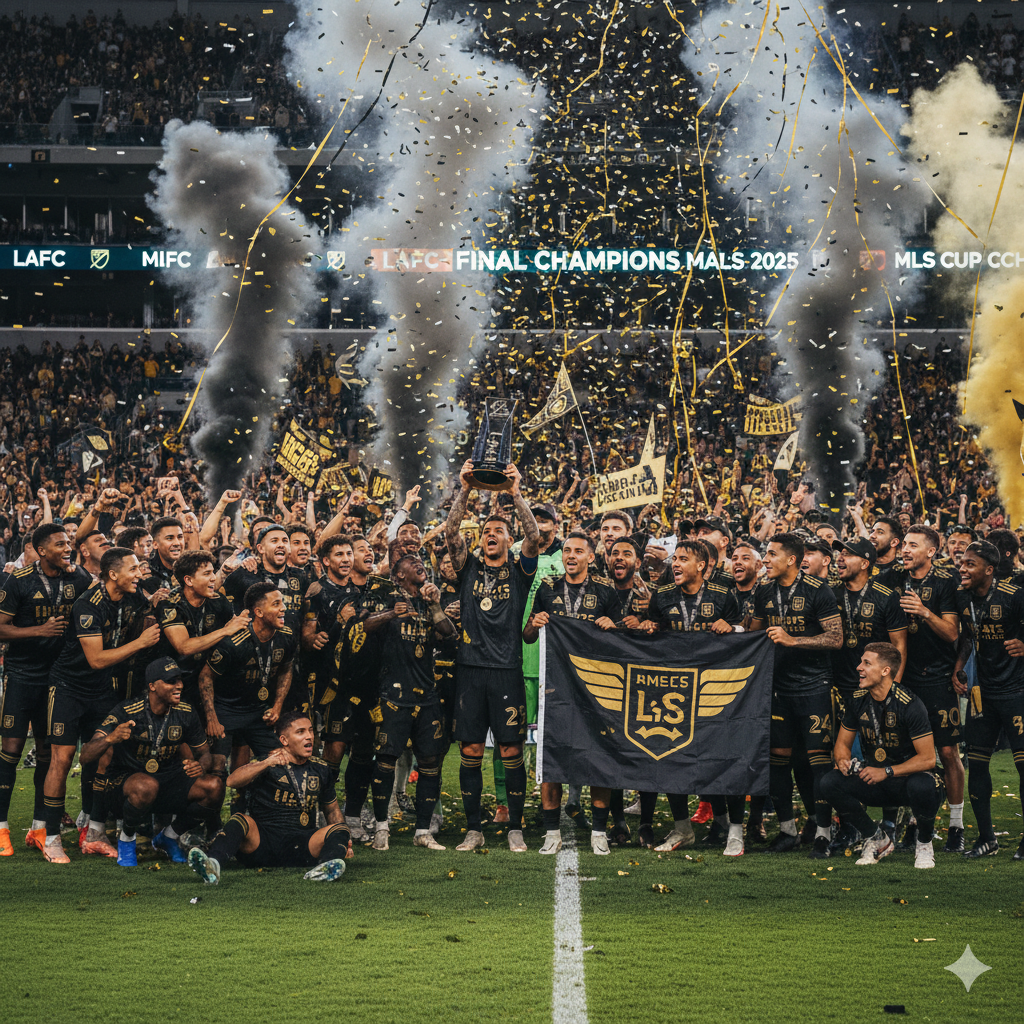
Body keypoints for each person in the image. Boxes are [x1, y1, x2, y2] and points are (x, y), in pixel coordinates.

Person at [41, 547, 161, 863]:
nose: (139, 574)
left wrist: (156, 602)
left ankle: (94, 833)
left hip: (102, 688)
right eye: (133, 569)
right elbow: (95, 659)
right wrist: (139, 642)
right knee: (62, 758)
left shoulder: (134, 596)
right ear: (112, 574)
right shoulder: (88, 604)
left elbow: (149, 607)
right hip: (68, 687)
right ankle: (51, 838)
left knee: (104, 754)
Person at [445, 459, 540, 853]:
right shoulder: (467, 567)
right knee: (469, 751)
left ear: (508, 540)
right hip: (469, 671)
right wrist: (466, 487)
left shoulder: (520, 571)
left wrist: (514, 494)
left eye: (498, 531)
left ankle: (515, 827)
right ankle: (473, 829)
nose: (490, 535)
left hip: (506, 671)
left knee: (510, 750)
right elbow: (451, 532)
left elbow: (534, 536)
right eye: (486, 531)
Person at [640, 540, 742, 853]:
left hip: (714, 688)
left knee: (720, 757)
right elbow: (652, 631)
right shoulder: (662, 595)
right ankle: (682, 828)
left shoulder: (723, 594)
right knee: (671, 756)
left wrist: (733, 627)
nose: (676, 564)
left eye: (683, 559)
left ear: (701, 565)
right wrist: (648, 625)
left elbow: (746, 635)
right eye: (675, 559)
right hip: (674, 691)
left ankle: (728, 826)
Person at [0, 523, 93, 857]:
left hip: (57, 679)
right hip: (22, 674)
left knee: (47, 753)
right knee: (10, 751)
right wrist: (40, 630)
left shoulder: (78, 578)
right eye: (60, 544)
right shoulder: (19, 581)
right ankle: (1, 828)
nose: (68, 549)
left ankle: (39, 828)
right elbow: (0, 628)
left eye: (68, 543)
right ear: (41, 551)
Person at [524, 531, 618, 854]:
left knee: (599, 759)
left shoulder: (605, 590)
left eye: (579, 551)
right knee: (552, 758)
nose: (571, 555)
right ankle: (552, 833)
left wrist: (612, 626)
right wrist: (535, 622)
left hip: (597, 690)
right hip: (556, 688)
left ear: (591, 557)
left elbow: (623, 638)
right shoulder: (546, 587)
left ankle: (599, 833)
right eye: (567, 550)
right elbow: (527, 636)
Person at [751, 533, 843, 858]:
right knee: (777, 762)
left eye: (771, 554)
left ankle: (823, 833)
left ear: (791, 559)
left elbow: (836, 638)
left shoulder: (819, 590)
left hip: (814, 686)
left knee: (818, 763)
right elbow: (754, 633)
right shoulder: (763, 590)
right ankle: (787, 831)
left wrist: (794, 640)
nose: (765, 559)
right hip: (777, 688)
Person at [79, 657, 223, 867]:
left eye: (180, 680)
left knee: (214, 787)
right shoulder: (127, 711)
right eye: (171, 681)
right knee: (146, 785)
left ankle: (169, 836)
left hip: (168, 782)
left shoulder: (185, 712)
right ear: (152, 686)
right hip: (126, 786)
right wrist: (110, 738)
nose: (179, 685)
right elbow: (85, 756)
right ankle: (127, 839)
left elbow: (205, 753)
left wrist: (201, 765)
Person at [188, 711, 351, 884]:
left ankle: (325, 867)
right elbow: (231, 781)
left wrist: (340, 842)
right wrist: (266, 763)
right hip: (262, 843)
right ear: (284, 740)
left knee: (341, 828)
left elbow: (331, 809)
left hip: (302, 845)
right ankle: (212, 865)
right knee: (240, 820)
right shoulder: (267, 762)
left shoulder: (321, 769)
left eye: (310, 730)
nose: (309, 736)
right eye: (301, 732)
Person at [820, 643, 943, 870]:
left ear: (885, 671)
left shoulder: (910, 704)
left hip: (907, 781)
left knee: (924, 785)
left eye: (867, 663)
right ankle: (877, 838)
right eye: (861, 662)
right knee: (829, 782)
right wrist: (843, 761)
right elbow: (842, 745)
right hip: (875, 781)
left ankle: (924, 843)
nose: (859, 667)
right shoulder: (857, 699)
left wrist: (886, 771)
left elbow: (928, 759)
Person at [363, 553, 455, 852]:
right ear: (399, 575)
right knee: (385, 761)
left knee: (430, 763)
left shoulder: (429, 601)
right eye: (412, 563)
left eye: (422, 563)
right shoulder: (385, 597)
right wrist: (391, 614)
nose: (420, 565)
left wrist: (435, 606)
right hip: (393, 694)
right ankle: (381, 827)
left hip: (427, 695)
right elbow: (365, 626)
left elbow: (449, 635)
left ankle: (423, 831)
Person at [954, 541, 1024, 861]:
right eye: (962, 562)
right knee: (977, 764)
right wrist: (958, 667)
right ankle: (986, 839)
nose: (963, 568)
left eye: (970, 564)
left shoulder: (1014, 595)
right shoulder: (962, 596)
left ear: (989, 570)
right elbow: (968, 635)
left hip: (1016, 691)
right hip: (982, 692)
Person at [897, 524, 963, 852]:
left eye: (913, 545)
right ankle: (915, 823)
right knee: (911, 754)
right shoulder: (895, 579)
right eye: (904, 544)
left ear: (931, 551)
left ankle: (956, 825)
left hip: (938, 678)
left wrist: (923, 611)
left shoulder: (946, 582)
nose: (905, 550)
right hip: (905, 680)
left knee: (948, 752)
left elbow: (952, 633)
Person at [199, 582, 298, 775]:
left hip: (257, 711)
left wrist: (277, 706)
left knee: (282, 763)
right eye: (276, 604)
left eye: (282, 602)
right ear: (258, 612)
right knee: (216, 770)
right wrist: (211, 718)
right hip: (226, 710)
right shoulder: (234, 643)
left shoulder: (286, 636)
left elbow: (286, 669)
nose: (284, 608)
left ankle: (247, 796)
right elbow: (205, 676)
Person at [155, 550, 249, 713]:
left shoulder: (218, 601)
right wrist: (225, 631)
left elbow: (234, 629)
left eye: (213, 572)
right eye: (207, 574)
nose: (213, 578)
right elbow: (184, 647)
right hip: (174, 681)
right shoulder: (170, 604)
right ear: (188, 580)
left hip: (209, 677)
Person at [869, 516, 905, 589]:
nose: (872, 535)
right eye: (872, 531)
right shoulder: (860, 567)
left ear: (894, 542)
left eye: (880, 532)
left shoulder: (902, 574)